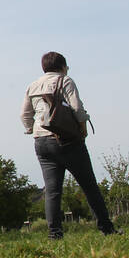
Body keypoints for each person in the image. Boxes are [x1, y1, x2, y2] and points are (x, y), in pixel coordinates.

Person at [21, 52, 120, 239]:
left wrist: (31, 129)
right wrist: (83, 127)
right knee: (89, 185)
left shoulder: (32, 86)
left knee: (52, 190)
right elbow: (76, 108)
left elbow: (24, 115)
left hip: (41, 142)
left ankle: (54, 234)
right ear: (63, 66)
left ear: (44, 68)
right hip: (66, 140)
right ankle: (107, 229)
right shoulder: (65, 81)